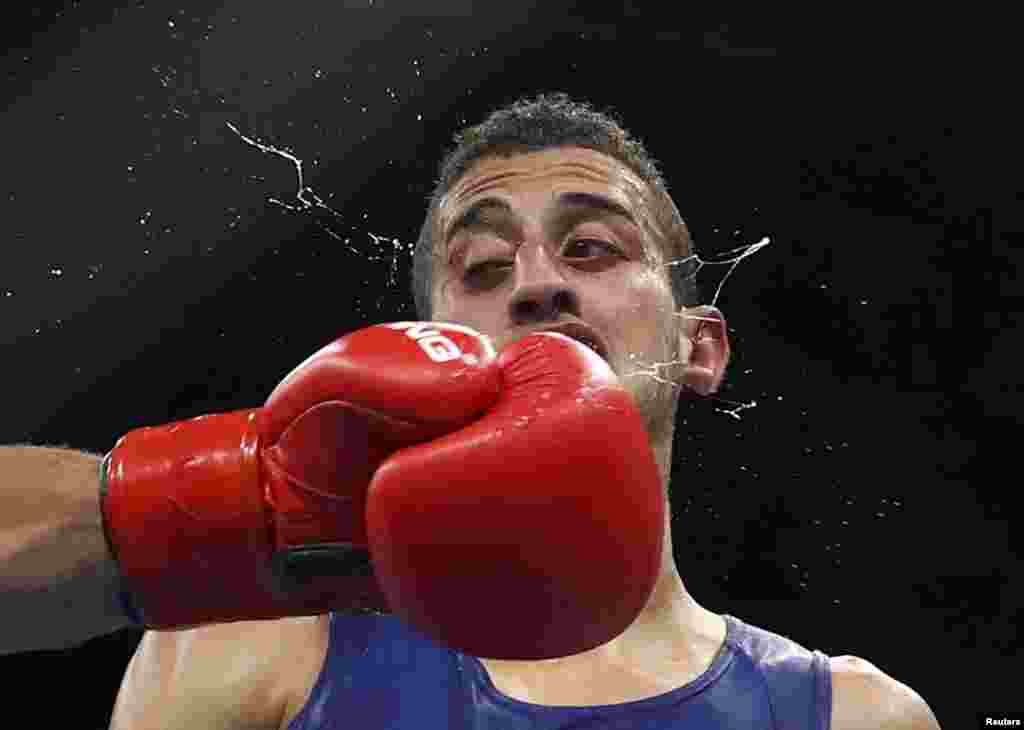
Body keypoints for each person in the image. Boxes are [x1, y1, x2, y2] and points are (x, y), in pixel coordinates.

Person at [0, 93, 941, 729]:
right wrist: (255, 502)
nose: (535, 285)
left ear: (700, 347)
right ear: (432, 341)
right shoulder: (256, 644)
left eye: (595, 249)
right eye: (483, 269)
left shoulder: (853, 715)